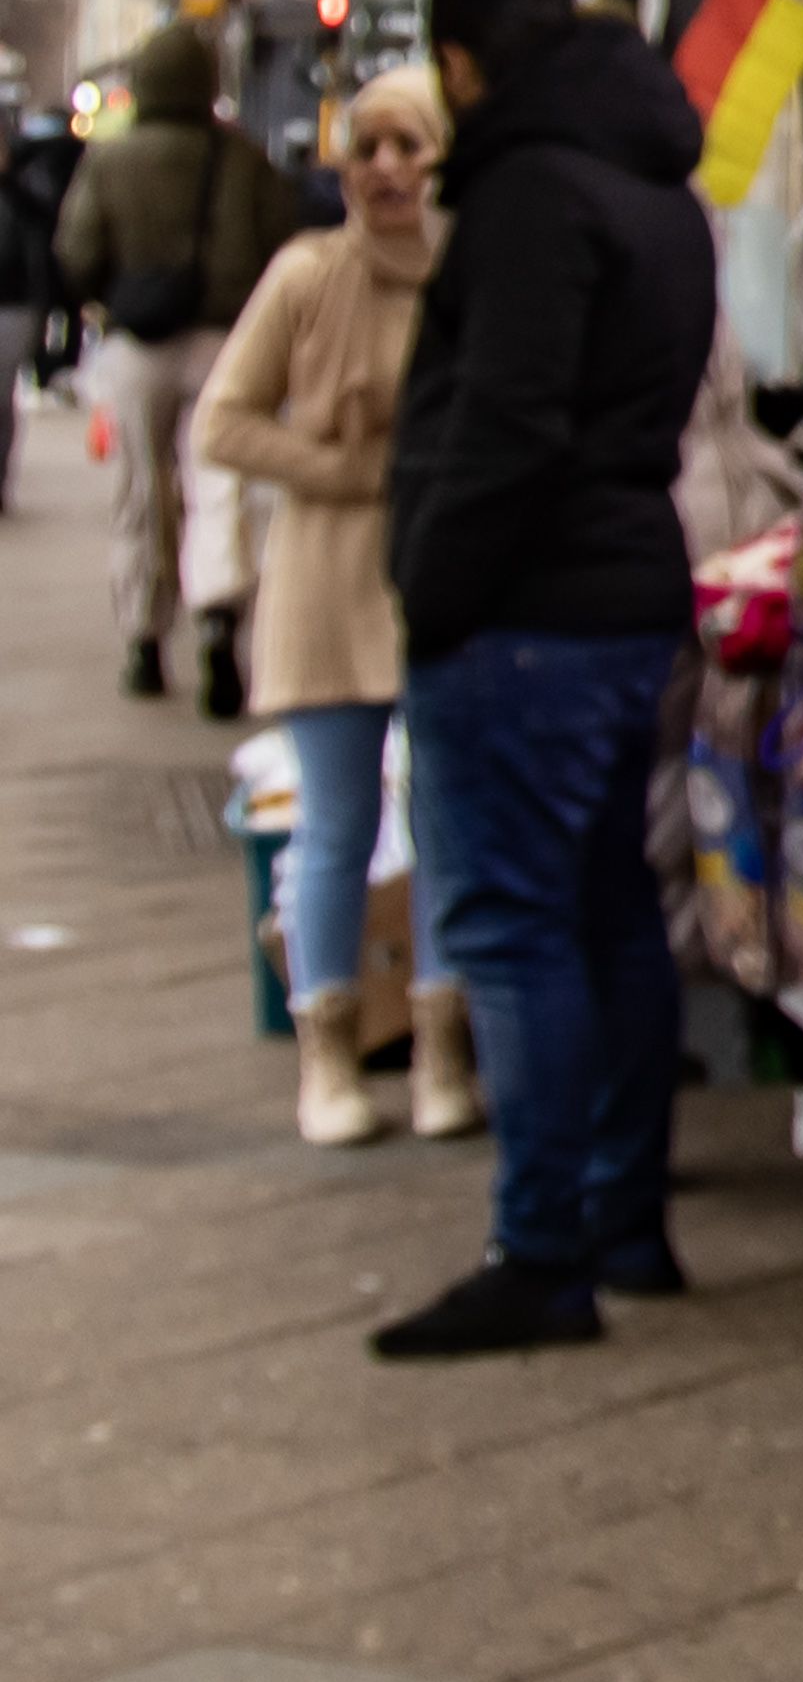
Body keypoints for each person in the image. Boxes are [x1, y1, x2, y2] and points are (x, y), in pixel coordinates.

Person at [373, 0, 717, 1360]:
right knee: (605, 912)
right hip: (626, 592)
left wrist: (433, 585)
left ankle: (544, 1248)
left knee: (517, 928)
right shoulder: (656, 181)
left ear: (462, 63)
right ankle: (621, 1216)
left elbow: (509, 417)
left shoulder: (531, 188)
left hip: (526, 612)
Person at [196, 66, 474, 1148]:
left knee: (448, 820)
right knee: (335, 822)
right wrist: (340, 468)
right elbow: (225, 420)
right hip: (323, 573)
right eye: (369, 147)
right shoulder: (306, 274)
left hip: (435, 576)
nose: (388, 168)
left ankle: (443, 1049)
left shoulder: (467, 278)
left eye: (412, 147)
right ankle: (331, 1051)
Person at [54, 23, 301, 710]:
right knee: (221, 486)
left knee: (141, 490)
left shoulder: (111, 160)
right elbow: (284, 244)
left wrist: (114, 297)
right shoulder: (244, 159)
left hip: (137, 346)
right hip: (225, 343)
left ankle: (143, 637)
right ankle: (218, 625)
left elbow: (77, 251)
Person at [0, 106, 77, 510]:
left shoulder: (26, 190)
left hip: (14, 302)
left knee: (1, 394)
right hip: (20, 302)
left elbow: (45, 235)